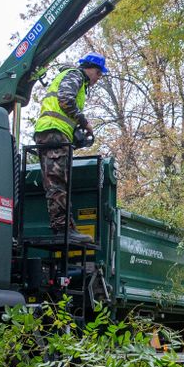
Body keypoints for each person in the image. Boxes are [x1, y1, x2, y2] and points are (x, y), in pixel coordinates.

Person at [33, 53, 108, 243]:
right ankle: (63, 229)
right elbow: (66, 100)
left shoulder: (72, 77)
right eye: (98, 74)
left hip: (52, 133)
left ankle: (65, 228)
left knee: (56, 182)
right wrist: (84, 122)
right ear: (89, 68)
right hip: (54, 133)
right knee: (58, 182)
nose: (97, 79)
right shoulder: (75, 75)